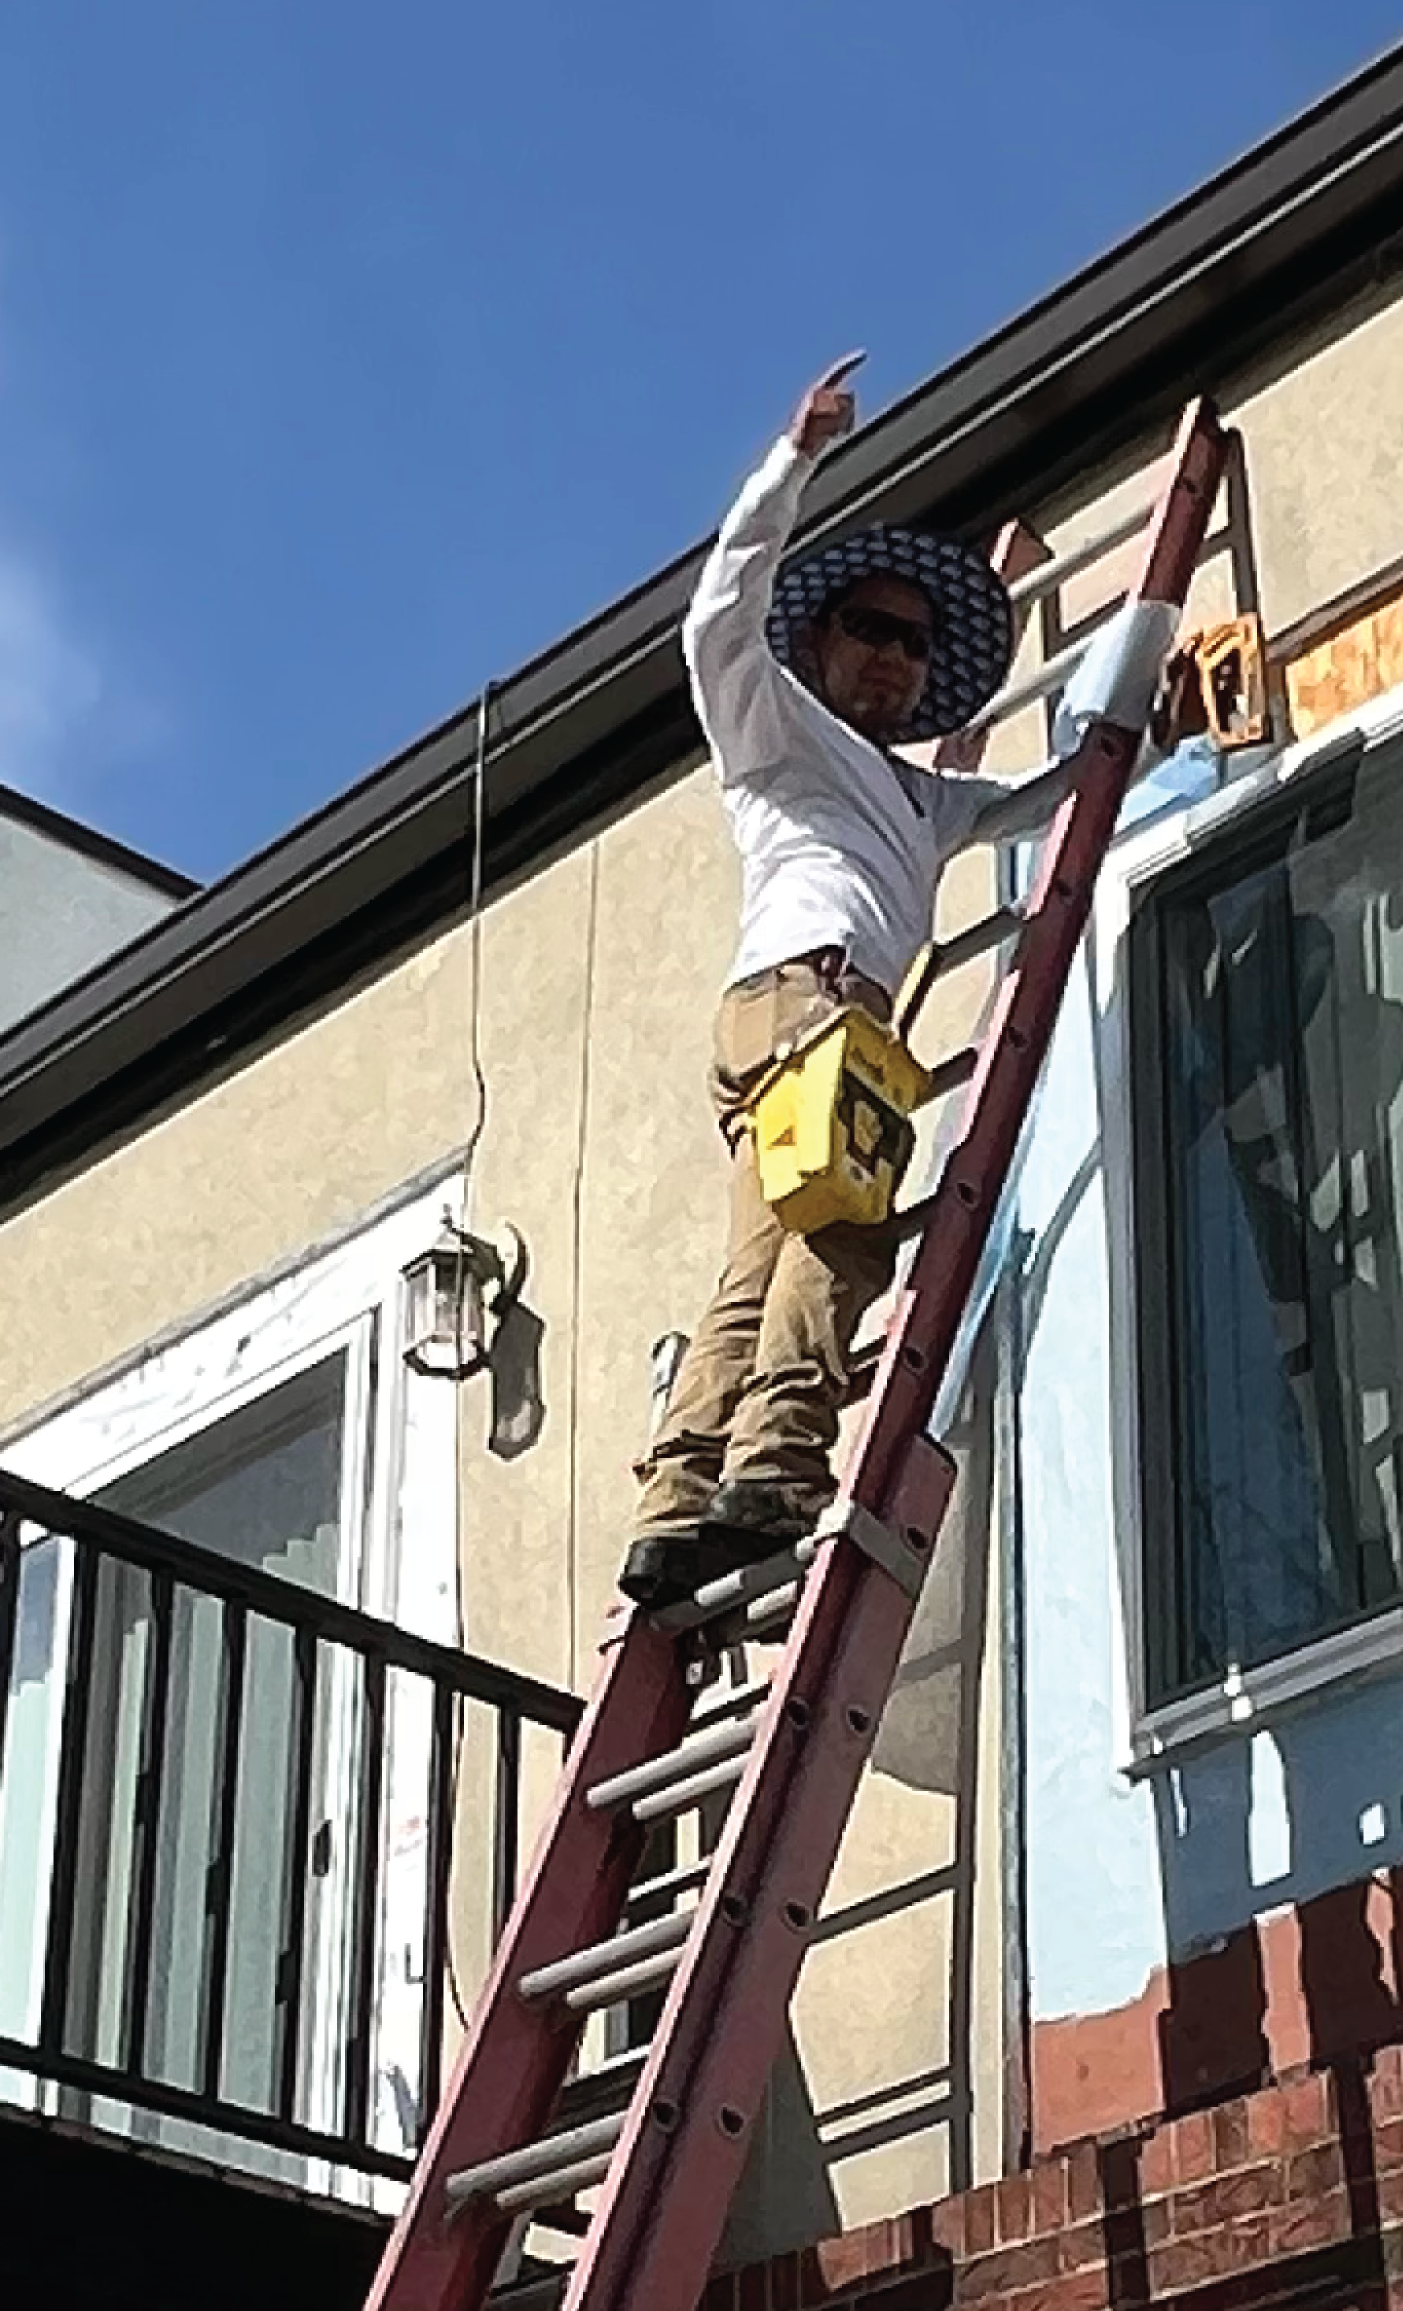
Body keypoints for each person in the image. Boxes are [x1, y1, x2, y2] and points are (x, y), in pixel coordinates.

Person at [624, 359, 1046, 1603]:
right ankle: (776, 1471)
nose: (893, 661)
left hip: (800, 1015)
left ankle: (675, 1504)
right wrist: (791, 458)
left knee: (759, 1271)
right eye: (870, 630)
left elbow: (1048, 798)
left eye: (913, 646)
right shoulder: (777, 734)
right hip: (809, 1004)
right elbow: (715, 622)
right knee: (845, 1233)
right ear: (819, 642)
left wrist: (1152, 721)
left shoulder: (920, 795)